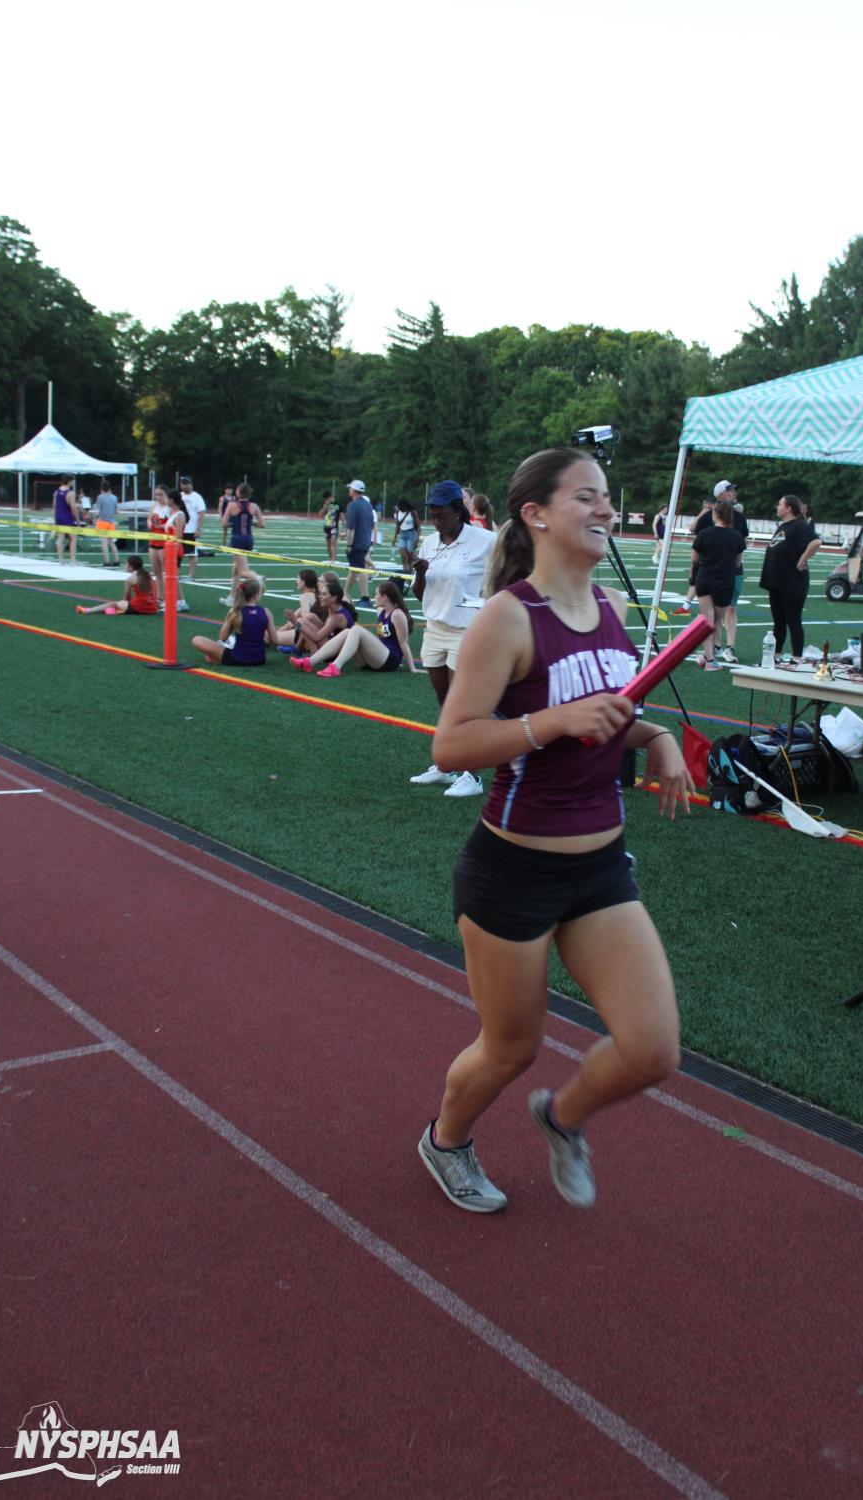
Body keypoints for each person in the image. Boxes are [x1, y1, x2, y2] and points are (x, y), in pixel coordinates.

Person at [417, 447, 693, 1214]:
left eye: (608, 497)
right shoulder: (509, 617)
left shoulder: (609, 609)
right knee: (512, 1047)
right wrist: (552, 721)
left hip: (601, 867)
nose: (607, 509)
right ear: (535, 514)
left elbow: (609, 713)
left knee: (653, 1050)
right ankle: (446, 1141)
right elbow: (452, 744)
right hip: (513, 871)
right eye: (587, 497)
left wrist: (658, 737)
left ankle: (563, 1119)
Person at [409, 480, 497, 798]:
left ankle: (472, 775)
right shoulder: (430, 543)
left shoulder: (485, 541)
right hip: (435, 628)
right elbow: (420, 594)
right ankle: (446, 765)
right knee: (446, 703)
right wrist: (420, 573)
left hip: (467, 631)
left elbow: (507, 576)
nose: (436, 520)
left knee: (463, 707)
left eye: (441, 514)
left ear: (458, 512)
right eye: (432, 514)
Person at [294, 580, 422, 678]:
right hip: (374, 659)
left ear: (385, 597)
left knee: (356, 629)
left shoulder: (397, 614)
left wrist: (412, 668)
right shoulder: (381, 611)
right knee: (347, 631)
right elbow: (345, 598)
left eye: (377, 594)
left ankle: (336, 666)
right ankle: (310, 662)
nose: (374, 597)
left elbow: (403, 642)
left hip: (390, 661)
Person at [759, 494, 821, 662]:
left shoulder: (800, 526)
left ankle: (797, 657)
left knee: (793, 621)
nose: (777, 507)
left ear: (788, 508)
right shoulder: (783, 526)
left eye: (780, 504)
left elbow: (815, 542)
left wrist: (802, 560)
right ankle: (776, 655)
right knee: (778, 621)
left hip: (792, 582)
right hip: (777, 582)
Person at [691, 497, 745, 669]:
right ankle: (710, 657)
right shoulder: (737, 537)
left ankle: (709, 658)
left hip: (705, 579)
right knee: (716, 620)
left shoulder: (704, 534)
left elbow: (694, 558)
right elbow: (738, 563)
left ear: (715, 514)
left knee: (707, 619)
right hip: (724, 581)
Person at [191, 573, 277, 666]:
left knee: (197, 639)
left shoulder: (235, 611)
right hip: (259, 659)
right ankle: (221, 654)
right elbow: (275, 640)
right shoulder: (266, 612)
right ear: (255, 595)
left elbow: (222, 638)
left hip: (237, 658)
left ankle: (219, 657)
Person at [710, 480, 749, 664]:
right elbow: (696, 531)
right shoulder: (711, 514)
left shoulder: (739, 517)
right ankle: (716, 645)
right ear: (720, 494)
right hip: (715, 568)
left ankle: (730, 646)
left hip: (733, 569)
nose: (734, 493)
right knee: (715, 609)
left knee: (731, 608)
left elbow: (743, 542)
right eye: (730, 490)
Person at [288, 575, 356, 666]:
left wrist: (295, 622)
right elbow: (326, 629)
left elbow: (316, 637)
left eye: (324, 594)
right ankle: (302, 650)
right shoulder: (333, 609)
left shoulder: (338, 617)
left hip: (334, 653)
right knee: (309, 618)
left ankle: (315, 658)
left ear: (334, 598)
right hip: (332, 644)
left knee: (303, 624)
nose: (319, 596)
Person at [220, 482, 264, 603]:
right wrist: (250, 523)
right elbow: (262, 524)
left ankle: (257, 578)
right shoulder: (254, 506)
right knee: (236, 570)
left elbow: (224, 523)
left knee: (243, 572)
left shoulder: (231, 505)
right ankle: (232, 598)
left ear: (238, 492)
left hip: (237, 539)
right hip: (248, 540)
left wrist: (234, 524)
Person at [74, 554, 158, 616]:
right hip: (153, 609)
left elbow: (126, 599)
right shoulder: (148, 575)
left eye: (126, 564)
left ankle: (88, 610)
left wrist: (120, 605)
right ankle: (119, 611)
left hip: (141, 608)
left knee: (114, 604)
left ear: (131, 567)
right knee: (124, 604)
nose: (125, 566)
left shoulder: (130, 579)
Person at [671, 497, 713, 615]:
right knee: (695, 579)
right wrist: (703, 512)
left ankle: (706, 610)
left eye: (706, 506)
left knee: (705, 581)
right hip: (701, 551)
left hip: (711, 552)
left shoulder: (717, 517)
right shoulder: (705, 517)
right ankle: (686, 606)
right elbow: (692, 528)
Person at [343, 480, 375, 605]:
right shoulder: (368, 505)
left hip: (357, 543)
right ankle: (344, 594)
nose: (349, 490)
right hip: (366, 541)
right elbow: (371, 524)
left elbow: (351, 527)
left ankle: (365, 598)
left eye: (350, 488)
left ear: (353, 490)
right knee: (354, 569)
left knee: (360, 569)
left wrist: (349, 544)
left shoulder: (352, 505)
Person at [275, 568, 321, 650]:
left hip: (307, 636)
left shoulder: (305, 596)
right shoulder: (317, 594)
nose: (296, 581)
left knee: (269, 637)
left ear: (303, 582)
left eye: (298, 579)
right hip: (318, 632)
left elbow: (305, 621)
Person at [164, 489, 191, 611]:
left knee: (173, 577)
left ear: (172, 500)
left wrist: (174, 553)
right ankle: (176, 601)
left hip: (176, 549)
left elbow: (179, 537)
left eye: (167, 498)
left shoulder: (179, 515)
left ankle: (181, 602)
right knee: (171, 577)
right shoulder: (172, 513)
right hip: (169, 548)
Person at [147, 484, 171, 607]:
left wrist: (163, 526)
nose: (158, 497)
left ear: (166, 495)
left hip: (164, 543)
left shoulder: (169, 508)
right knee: (156, 572)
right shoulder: (154, 507)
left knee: (167, 572)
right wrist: (149, 522)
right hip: (153, 542)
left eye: (161, 494)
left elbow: (173, 524)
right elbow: (148, 520)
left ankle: (168, 597)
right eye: (156, 494)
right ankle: (160, 597)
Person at [179, 475, 206, 581]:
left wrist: (198, 528)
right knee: (178, 553)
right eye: (182, 484)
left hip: (191, 530)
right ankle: (177, 573)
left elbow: (202, 513)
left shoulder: (197, 497)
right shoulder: (179, 496)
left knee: (192, 554)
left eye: (186, 483)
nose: (184, 486)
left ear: (191, 484)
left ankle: (191, 575)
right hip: (180, 529)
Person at [92, 479, 120, 567]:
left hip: (102, 521)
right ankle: (117, 560)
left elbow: (98, 510)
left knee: (104, 543)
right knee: (111, 542)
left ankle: (107, 561)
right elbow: (116, 511)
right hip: (111, 522)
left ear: (101, 488)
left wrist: (95, 519)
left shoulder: (100, 497)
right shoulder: (114, 497)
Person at [53, 476, 79, 565]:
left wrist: (55, 518)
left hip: (59, 517)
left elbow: (54, 506)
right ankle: (73, 559)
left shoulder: (56, 492)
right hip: (67, 518)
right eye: (72, 481)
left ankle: (61, 560)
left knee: (61, 538)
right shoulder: (70, 493)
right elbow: (73, 508)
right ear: (69, 481)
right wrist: (78, 520)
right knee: (73, 538)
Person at [392, 501, 421, 573]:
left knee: (410, 557)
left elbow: (418, 527)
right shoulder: (398, 512)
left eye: (401, 507)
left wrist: (417, 539)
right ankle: (406, 572)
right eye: (399, 508)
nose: (400, 509)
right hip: (402, 534)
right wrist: (394, 538)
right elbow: (397, 525)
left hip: (411, 534)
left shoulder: (413, 512)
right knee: (403, 556)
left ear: (405, 506)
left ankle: (409, 574)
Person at [319, 490, 341, 563]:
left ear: (331, 497)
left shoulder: (338, 504)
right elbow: (320, 514)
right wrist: (325, 507)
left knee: (333, 543)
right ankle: (330, 559)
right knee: (328, 545)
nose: (327, 500)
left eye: (328, 499)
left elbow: (342, 514)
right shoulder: (325, 505)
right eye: (326, 499)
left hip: (334, 527)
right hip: (326, 526)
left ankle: (333, 560)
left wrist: (344, 527)